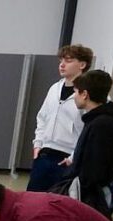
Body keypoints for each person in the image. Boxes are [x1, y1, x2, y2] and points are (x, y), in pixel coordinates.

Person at [28, 44, 93, 192]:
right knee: (33, 198)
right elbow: (42, 117)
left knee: (58, 199)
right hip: (45, 154)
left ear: (82, 65)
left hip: (67, 158)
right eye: (61, 60)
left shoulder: (88, 93)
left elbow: (90, 130)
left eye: (68, 61)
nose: (62, 65)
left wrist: (73, 157)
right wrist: (38, 144)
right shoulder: (54, 88)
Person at [61, 69, 113, 218]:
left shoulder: (100, 124)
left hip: (90, 196)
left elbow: (94, 168)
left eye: (76, 92)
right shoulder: (102, 120)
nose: (74, 97)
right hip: (91, 191)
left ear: (85, 94)